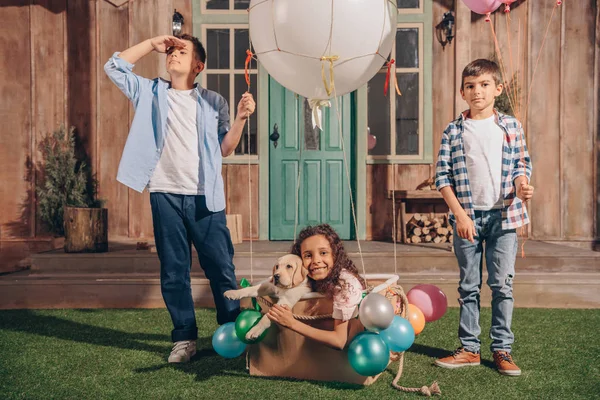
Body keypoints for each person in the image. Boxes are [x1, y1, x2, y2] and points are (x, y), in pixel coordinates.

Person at [104, 34, 255, 363]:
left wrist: (242, 119)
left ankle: (231, 330)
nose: (172, 55)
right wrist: (151, 43)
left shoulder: (215, 102)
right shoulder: (150, 92)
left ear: (197, 66)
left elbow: (225, 149)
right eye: (171, 51)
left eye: (181, 52)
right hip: (164, 195)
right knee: (174, 271)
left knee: (221, 268)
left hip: (205, 197)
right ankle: (184, 338)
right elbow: (114, 67)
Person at [434, 59, 534, 376]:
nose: (477, 91)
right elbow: (442, 177)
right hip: (467, 218)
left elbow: (521, 166)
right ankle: (469, 349)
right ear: (463, 92)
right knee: (469, 286)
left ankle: (502, 350)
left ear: (498, 89)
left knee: (502, 284)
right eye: (470, 86)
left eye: (484, 85)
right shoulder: (454, 130)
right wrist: (460, 215)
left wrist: (521, 186)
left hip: (503, 218)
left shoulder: (510, 127)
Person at [266, 224, 366, 350]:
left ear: (335, 255)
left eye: (323, 253)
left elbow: (339, 341)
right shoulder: (308, 276)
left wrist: (292, 323)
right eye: (308, 255)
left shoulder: (346, 285)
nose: (316, 260)